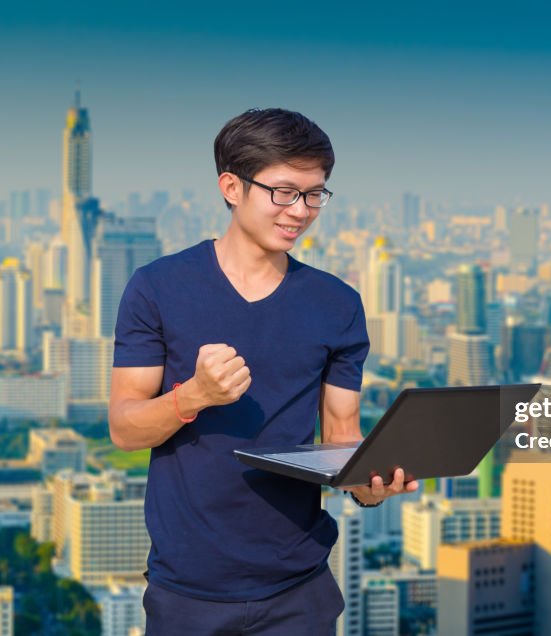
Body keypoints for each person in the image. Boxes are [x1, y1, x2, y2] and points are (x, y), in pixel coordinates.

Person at [108, 108, 419, 635]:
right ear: (232, 186)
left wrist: (372, 488)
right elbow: (124, 428)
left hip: (300, 588)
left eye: (315, 193)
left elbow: (341, 436)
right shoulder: (157, 287)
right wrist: (195, 395)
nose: (300, 210)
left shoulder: (337, 303)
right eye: (284, 191)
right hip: (188, 590)